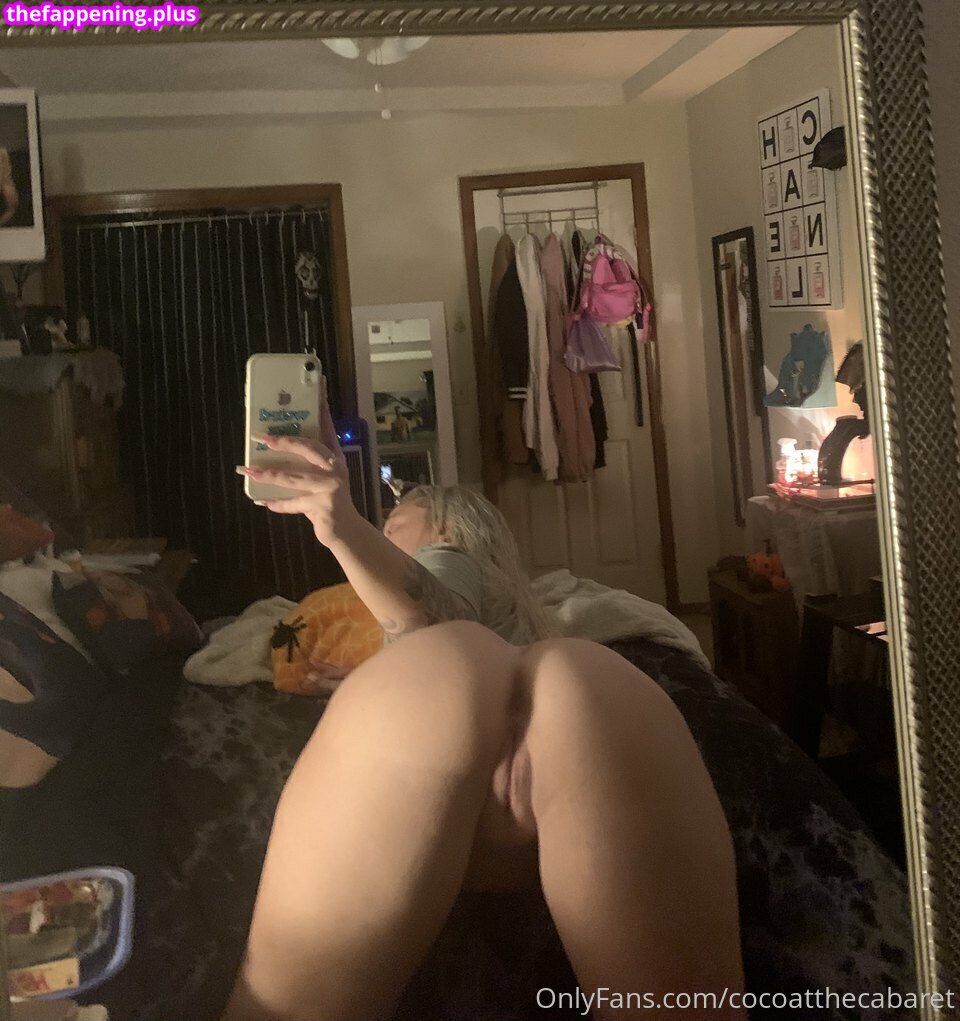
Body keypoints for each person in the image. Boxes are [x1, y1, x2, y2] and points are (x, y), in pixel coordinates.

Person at [226, 390, 745, 1021]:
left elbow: (439, 621)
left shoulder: (448, 559)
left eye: (397, 524)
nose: (388, 534)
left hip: (445, 729)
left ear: (448, 526)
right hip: (592, 703)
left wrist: (344, 529)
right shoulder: (535, 624)